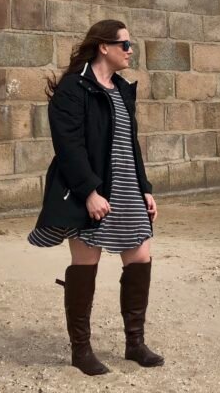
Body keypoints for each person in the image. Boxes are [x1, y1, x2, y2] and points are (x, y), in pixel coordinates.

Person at [28, 19, 163, 375]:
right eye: (125, 44)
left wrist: (145, 188)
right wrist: (89, 192)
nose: (130, 51)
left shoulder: (122, 89)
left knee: (140, 258)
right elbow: (68, 146)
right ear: (104, 47)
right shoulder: (74, 88)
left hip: (127, 189)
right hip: (91, 191)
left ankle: (135, 343)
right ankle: (81, 350)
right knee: (86, 264)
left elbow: (130, 145)